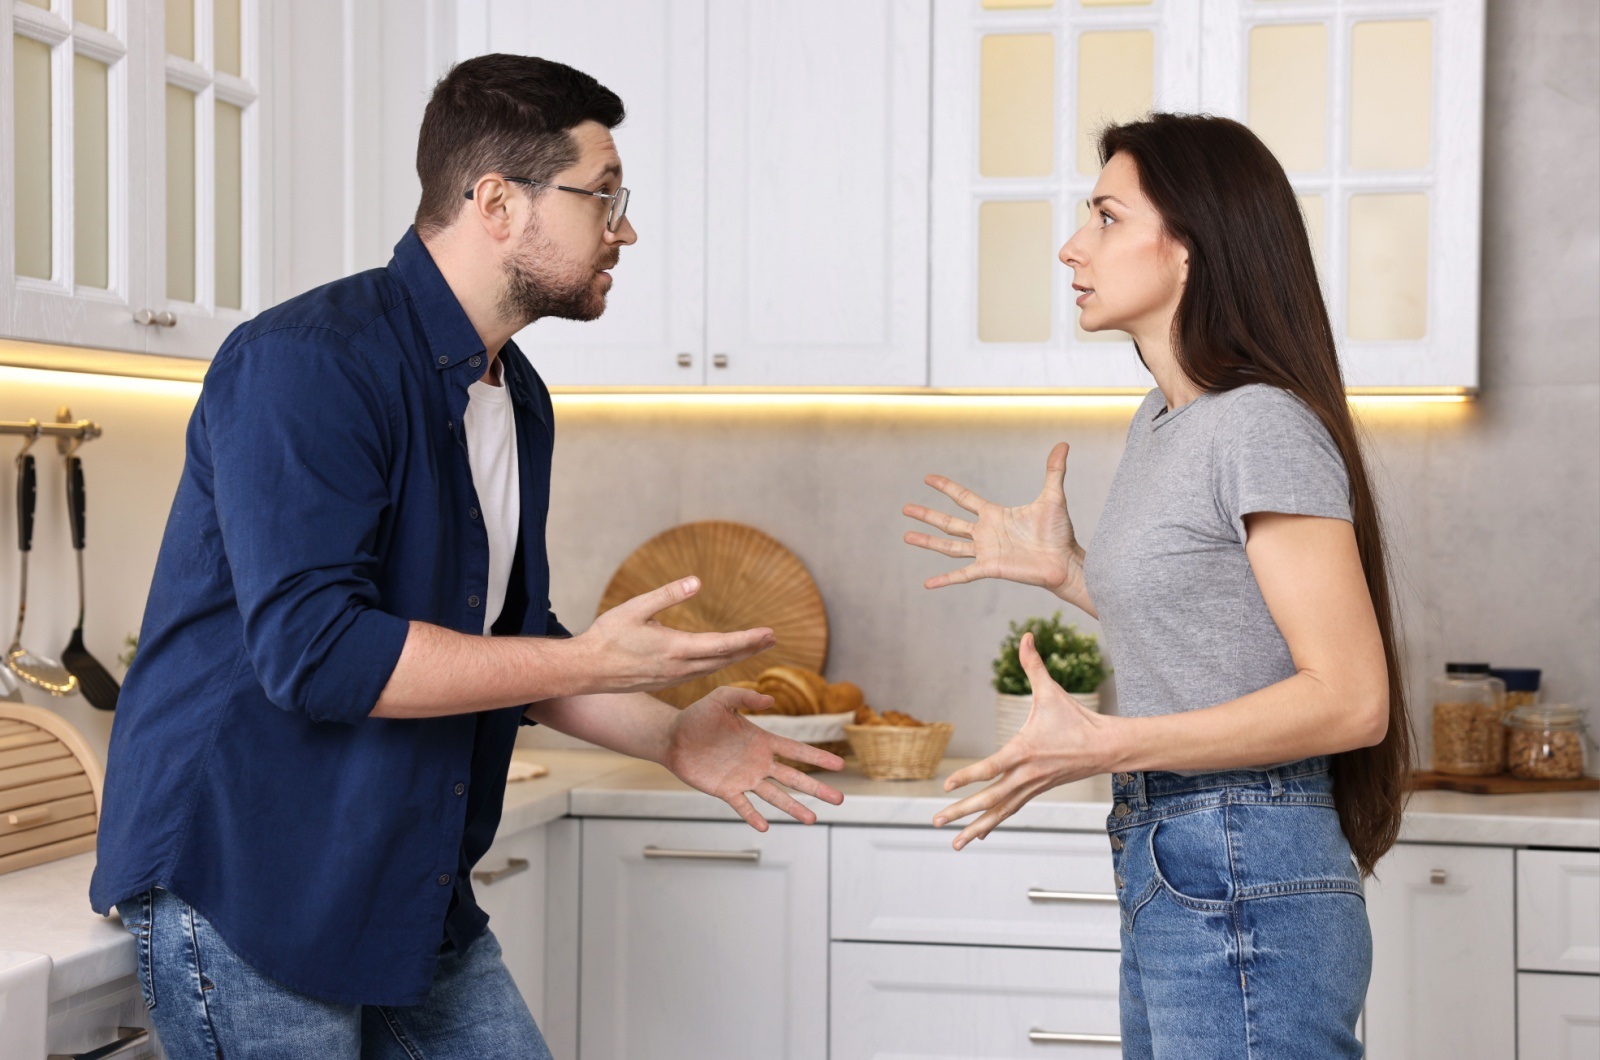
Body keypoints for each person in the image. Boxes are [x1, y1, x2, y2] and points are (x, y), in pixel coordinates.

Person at [90, 54, 843, 1059]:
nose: (625, 227)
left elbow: (513, 644)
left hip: (400, 884)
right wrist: (586, 661)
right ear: (496, 200)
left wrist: (669, 737)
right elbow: (316, 653)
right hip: (253, 880)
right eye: (603, 195)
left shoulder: (513, 395)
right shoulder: (308, 362)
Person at [903, 113, 1410, 1059]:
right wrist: (1067, 572)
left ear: (1190, 245)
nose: (1072, 245)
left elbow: (1351, 701)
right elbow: (1227, 631)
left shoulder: (1257, 424)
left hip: (1242, 850)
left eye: (1103, 216)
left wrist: (1112, 740)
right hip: (1175, 849)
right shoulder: (1168, 419)